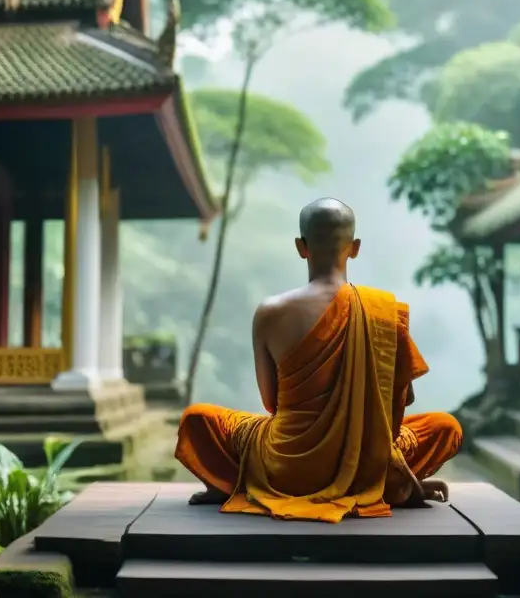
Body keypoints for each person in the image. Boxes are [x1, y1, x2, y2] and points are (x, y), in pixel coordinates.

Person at [174, 197, 462, 523]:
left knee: (196, 419)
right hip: (366, 466)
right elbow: (395, 412)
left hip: (283, 466)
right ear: (354, 248)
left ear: (301, 246)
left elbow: (271, 403)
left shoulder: (271, 313)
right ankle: (393, 481)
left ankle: (229, 484)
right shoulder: (383, 314)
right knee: (444, 426)